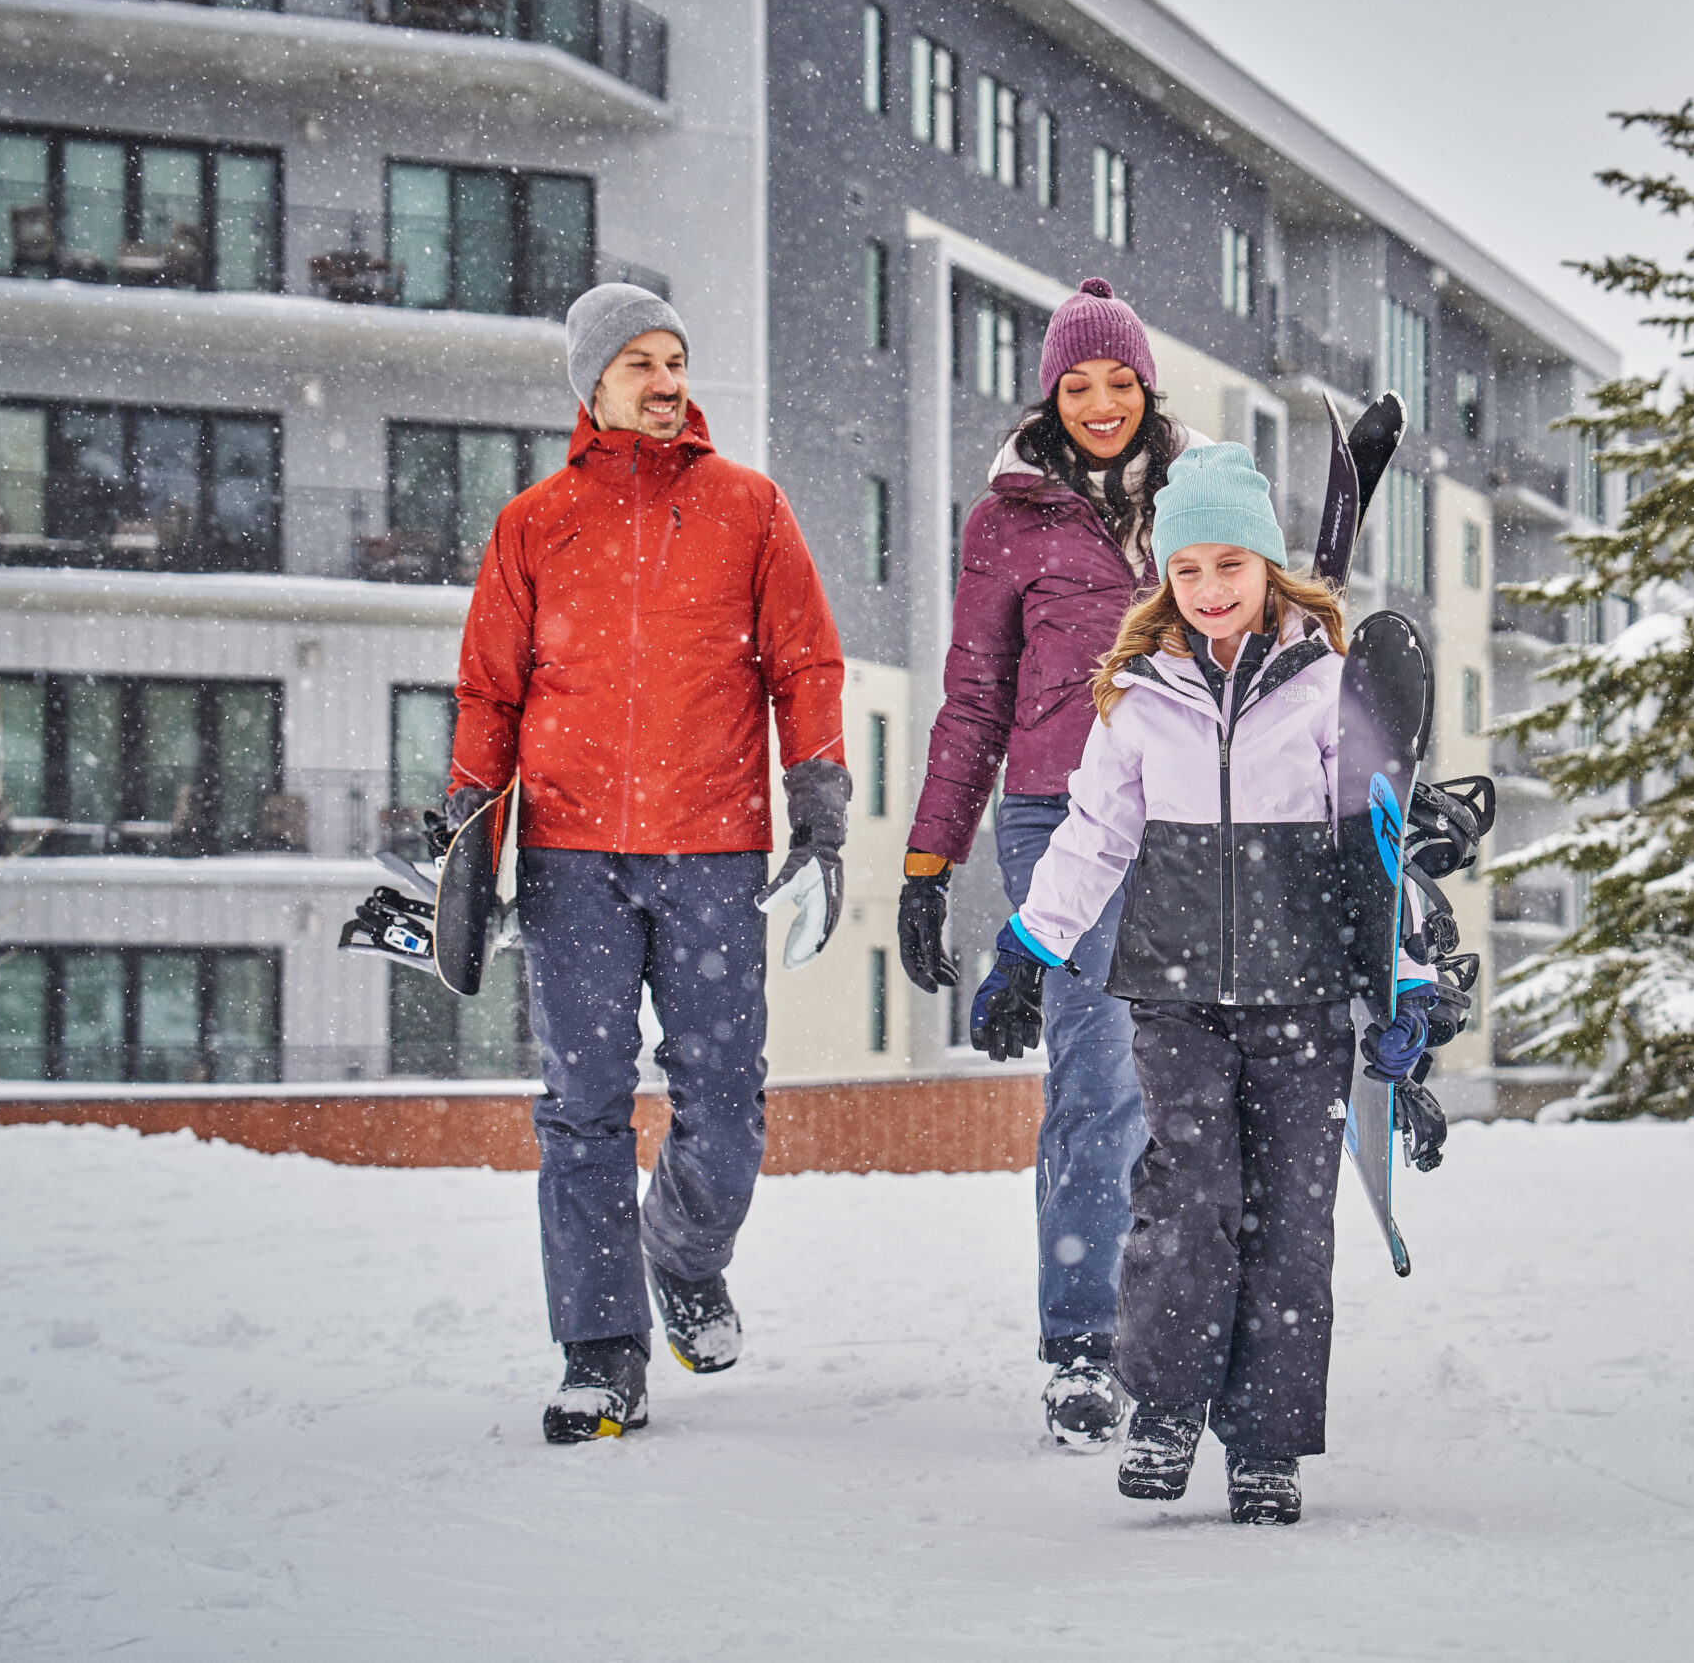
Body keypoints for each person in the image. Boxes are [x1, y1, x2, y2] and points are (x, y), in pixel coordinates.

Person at [968, 443, 1440, 1525]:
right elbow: (1091, 839)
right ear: (1165, 580)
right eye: (1188, 569)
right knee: (1184, 1202)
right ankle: (1168, 1408)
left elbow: (1378, 854)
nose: (1211, 588)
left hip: (1301, 999)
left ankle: (1267, 1443)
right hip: (1174, 996)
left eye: (1231, 564)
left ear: (1270, 569)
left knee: (1289, 1222)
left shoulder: (1328, 695)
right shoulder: (1137, 699)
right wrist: (1028, 949)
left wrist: (1405, 976)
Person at [449, 282, 850, 1443]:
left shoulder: (749, 510)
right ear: (592, 384)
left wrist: (818, 811)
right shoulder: (533, 524)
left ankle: (681, 1253)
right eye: (639, 363)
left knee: (724, 1103)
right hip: (571, 855)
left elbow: (806, 668)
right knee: (581, 1109)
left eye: (675, 359)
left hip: (714, 849)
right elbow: (490, 689)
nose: (667, 381)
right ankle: (600, 1352)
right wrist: (471, 829)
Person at [897, 277, 1205, 1449]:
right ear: (1050, 394)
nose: (1098, 403)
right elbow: (973, 700)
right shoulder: (1011, 521)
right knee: (1096, 1079)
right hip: (1054, 814)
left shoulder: (1201, 498)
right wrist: (930, 863)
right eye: (1076, 385)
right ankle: (1081, 1347)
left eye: (1116, 381)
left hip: (1194, 818)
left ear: (1144, 384)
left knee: (1191, 1084)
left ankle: (1180, 1326)